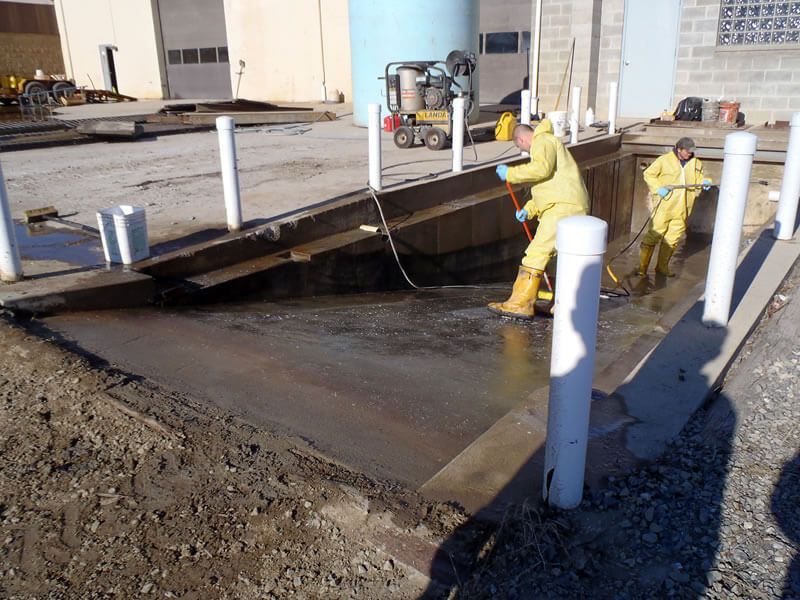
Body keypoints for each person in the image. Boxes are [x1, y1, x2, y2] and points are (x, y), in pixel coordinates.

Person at [489, 120, 590, 319]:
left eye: (521, 147)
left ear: (521, 139)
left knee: (537, 253)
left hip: (562, 208)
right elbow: (546, 186)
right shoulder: (549, 144)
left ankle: (520, 303)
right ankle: (559, 304)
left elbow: (541, 169)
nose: (525, 151)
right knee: (557, 260)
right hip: (567, 205)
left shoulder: (543, 141)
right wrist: (528, 210)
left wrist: (511, 172)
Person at [639, 137, 712, 277]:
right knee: (655, 234)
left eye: (691, 151)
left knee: (673, 238)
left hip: (683, 207)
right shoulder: (664, 160)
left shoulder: (696, 163)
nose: (690, 154)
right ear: (679, 149)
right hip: (665, 205)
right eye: (687, 151)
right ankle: (642, 268)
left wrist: (704, 181)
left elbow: (697, 179)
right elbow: (648, 174)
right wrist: (658, 188)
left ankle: (662, 267)